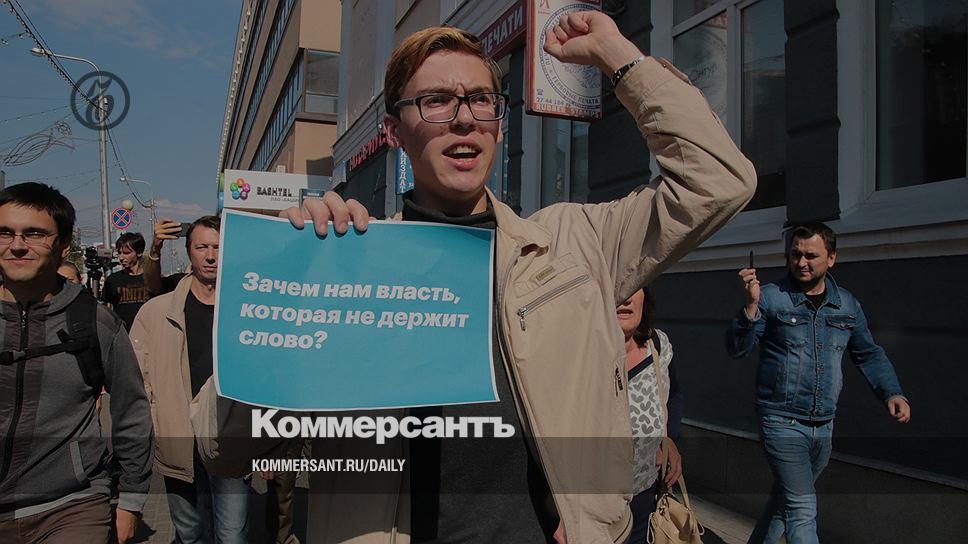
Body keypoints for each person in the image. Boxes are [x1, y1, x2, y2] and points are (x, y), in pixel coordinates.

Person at [203, 10, 756, 543]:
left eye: (480, 99)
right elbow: (221, 448)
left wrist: (618, 56)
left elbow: (719, 182)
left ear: (498, 121)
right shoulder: (348, 267)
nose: (464, 117)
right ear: (393, 131)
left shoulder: (573, 245)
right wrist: (294, 286)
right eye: (436, 101)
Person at [725, 222, 911, 544]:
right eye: (795, 254)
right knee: (801, 509)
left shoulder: (846, 305)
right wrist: (751, 306)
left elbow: (868, 353)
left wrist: (891, 392)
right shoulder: (771, 298)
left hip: (824, 424)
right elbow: (737, 349)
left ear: (832, 258)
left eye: (811, 256)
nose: (801, 262)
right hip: (781, 421)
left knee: (785, 504)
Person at [0, 182, 153, 544]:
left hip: (72, 506)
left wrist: (130, 499)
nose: (17, 245)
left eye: (35, 234)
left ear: (63, 244)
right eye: (5, 232)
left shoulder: (94, 322)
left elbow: (131, 409)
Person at [130, 216, 250, 544]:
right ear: (188, 252)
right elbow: (138, 379)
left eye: (218, 247)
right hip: (177, 440)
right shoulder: (157, 312)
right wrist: (155, 421)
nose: (210, 256)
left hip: (229, 439)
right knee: (190, 534)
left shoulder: (248, 310)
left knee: (232, 536)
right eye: (202, 247)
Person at [618, 288, 683, 543]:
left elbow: (673, 395)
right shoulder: (580, 354)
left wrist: (670, 439)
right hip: (591, 502)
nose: (625, 297)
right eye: (616, 286)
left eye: (634, 286)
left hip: (645, 496)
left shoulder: (658, 345)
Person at [102, 232, 151, 330]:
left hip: (147, 332)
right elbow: (108, 311)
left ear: (139, 253)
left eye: (126, 253)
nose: (121, 257)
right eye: (119, 253)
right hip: (122, 334)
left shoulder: (151, 279)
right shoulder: (113, 280)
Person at [143, 218, 187, 297]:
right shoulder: (181, 283)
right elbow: (154, 287)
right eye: (201, 247)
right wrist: (155, 249)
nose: (209, 256)